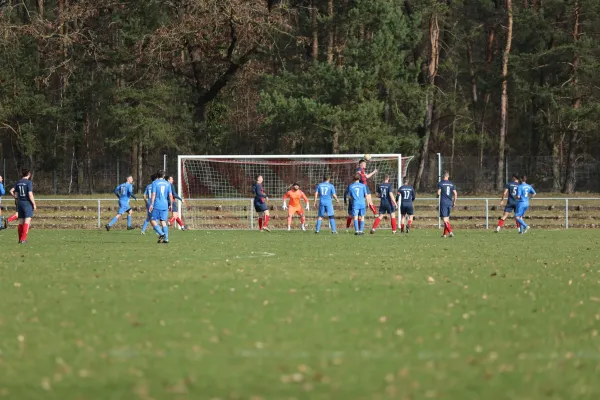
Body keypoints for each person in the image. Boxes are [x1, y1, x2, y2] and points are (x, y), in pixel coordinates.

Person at [9, 169, 37, 244]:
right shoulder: (29, 182)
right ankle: (23, 239)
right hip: (27, 203)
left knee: (21, 221)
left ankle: (20, 239)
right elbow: (30, 194)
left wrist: (15, 197)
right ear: (29, 174)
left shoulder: (18, 182)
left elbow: (14, 192)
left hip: (20, 203)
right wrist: (34, 204)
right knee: (27, 221)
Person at [149, 170, 174, 243]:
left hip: (157, 204)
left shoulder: (154, 183)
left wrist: (151, 204)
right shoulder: (167, 183)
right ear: (164, 175)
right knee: (163, 221)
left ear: (157, 175)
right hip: (165, 204)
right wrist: (171, 204)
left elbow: (153, 194)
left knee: (152, 220)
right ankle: (166, 239)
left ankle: (162, 234)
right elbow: (170, 195)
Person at [437, 171, 457, 238]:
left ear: (443, 176)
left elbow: (438, 193)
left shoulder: (441, 183)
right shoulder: (451, 184)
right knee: (447, 219)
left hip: (443, 202)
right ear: (448, 176)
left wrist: (437, 196)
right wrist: (454, 202)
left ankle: (450, 232)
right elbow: (455, 194)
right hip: (449, 202)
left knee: (444, 219)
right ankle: (444, 234)